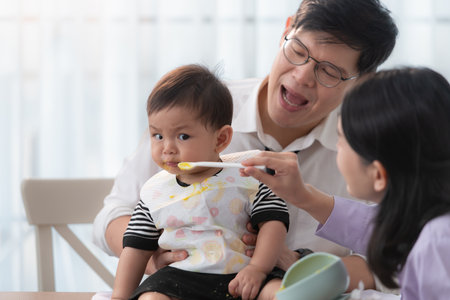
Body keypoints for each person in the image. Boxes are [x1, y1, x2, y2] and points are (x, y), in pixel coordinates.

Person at [93, 0, 398, 291]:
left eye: (329, 71)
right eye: (298, 50)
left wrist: (302, 271)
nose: (302, 75)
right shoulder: (195, 112)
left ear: (361, 82)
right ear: (286, 30)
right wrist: (155, 255)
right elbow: (112, 216)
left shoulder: (370, 151)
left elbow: (395, 260)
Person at [240, 67, 450, 299]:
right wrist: (303, 196)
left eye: (341, 140)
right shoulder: (427, 220)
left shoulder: (437, 244)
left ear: (378, 175)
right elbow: (386, 231)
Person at [111, 64, 289, 300]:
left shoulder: (248, 175)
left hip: (242, 272)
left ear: (221, 139)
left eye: (183, 136)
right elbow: (135, 249)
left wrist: (258, 268)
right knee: (151, 298)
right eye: (158, 135)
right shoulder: (154, 193)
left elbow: (274, 223)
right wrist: (119, 297)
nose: (167, 149)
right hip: (182, 278)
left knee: (282, 293)